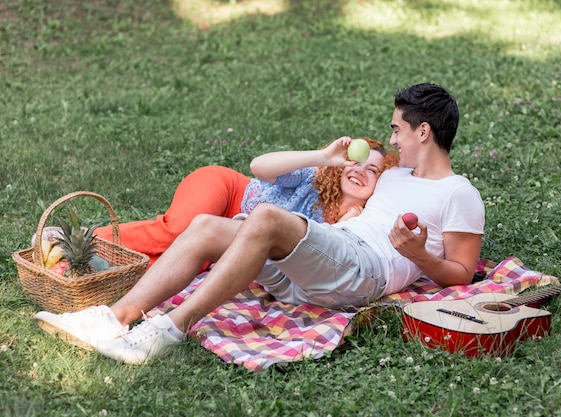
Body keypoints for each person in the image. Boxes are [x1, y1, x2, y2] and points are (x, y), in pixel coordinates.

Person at [35, 83, 485, 365]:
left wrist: (419, 255)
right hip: (328, 261)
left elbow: (463, 274)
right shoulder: (394, 173)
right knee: (210, 224)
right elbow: (322, 185)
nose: (390, 140)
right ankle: (113, 318)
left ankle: (166, 330)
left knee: (267, 217)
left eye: (396, 131)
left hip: (365, 272)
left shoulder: (458, 193)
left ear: (422, 132)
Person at [57, 137, 396, 267]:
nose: (360, 171)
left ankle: (100, 261)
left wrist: (350, 219)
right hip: (228, 189)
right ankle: (78, 238)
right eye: (357, 162)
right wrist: (323, 157)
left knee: (193, 261)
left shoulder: (361, 221)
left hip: (234, 235)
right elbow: (258, 166)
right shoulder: (312, 178)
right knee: (177, 231)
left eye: (373, 170)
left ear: (382, 183)